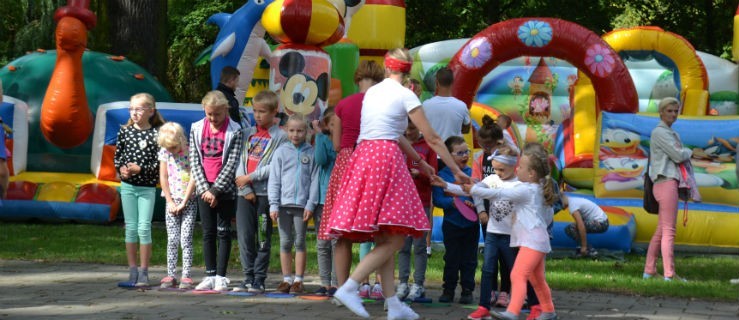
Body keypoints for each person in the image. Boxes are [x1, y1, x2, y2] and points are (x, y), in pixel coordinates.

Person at [329, 48, 471, 320]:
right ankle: (350, 286)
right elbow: (432, 138)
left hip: (364, 157)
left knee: (385, 235)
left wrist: (421, 162)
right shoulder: (406, 94)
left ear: (386, 66)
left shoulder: (373, 92)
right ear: (408, 70)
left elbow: (393, 132)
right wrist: (455, 170)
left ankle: (393, 303)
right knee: (395, 239)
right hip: (385, 159)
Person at [433, 142, 558, 320]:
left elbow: (499, 194)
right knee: (536, 278)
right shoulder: (535, 188)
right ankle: (548, 310)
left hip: (532, 241)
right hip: (535, 240)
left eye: (520, 167)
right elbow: (547, 216)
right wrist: (447, 185)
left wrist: (474, 189)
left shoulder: (525, 189)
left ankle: (512, 312)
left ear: (531, 173)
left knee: (517, 274)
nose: (518, 169)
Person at [319, 60, 384, 290]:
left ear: (358, 79)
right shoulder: (383, 104)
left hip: (347, 163)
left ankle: (343, 289)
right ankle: (383, 288)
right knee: (381, 231)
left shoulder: (343, 105)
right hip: (374, 162)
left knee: (342, 232)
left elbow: (336, 145)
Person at [233, 90, 287, 293]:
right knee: (245, 236)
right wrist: (245, 186)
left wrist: (250, 178)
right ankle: (247, 277)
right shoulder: (247, 133)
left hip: (265, 194)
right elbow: (239, 161)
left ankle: (259, 278)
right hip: (244, 194)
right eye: (255, 111)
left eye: (262, 112)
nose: (257, 115)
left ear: (274, 112)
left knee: (263, 237)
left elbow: (275, 165)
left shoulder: (281, 136)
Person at [190, 91, 244, 291]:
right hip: (204, 190)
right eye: (209, 114)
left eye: (217, 115)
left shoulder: (235, 130)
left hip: (224, 190)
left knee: (223, 232)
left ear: (225, 110)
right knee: (208, 232)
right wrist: (205, 189)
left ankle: (221, 275)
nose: (213, 118)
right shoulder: (196, 128)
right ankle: (210, 274)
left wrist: (215, 190)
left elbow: (232, 163)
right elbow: (194, 160)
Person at [114, 93, 166, 287]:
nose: (134, 113)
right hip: (128, 187)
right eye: (132, 109)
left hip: (146, 189)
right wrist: (122, 170)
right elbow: (118, 157)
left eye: (139, 109)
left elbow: (160, 163)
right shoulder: (125, 131)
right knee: (130, 229)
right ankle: (132, 271)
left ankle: (144, 272)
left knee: (144, 228)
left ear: (150, 111)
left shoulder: (157, 134)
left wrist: (141, 169)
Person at [643, 97, 693, 282]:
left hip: (665, 183)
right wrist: (690, 152)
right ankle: (669, 274)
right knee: (669, 231)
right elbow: (679, 155)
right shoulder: (660, 132)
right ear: (661, 112)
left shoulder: (670, 133)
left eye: (676, 111)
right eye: (669, 110)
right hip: (666, 182)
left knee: (661, 230)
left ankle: (649, 271)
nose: (673, 114)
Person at [268, 113, 319, 294]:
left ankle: (298, 280)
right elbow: (274, 180)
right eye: (292, 130)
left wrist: (310, 204)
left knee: (300, 242)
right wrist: (273, 204)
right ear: (285, 130)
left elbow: (315, 181)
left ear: (306, 131)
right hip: (283, 205)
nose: (295, 134)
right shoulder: (280, 152)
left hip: (302, 207)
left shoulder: (311, 153)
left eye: (299, 131)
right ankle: (286, 279)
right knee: (284, 242)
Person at [467, 145, 520, 320]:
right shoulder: (492, 178)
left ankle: (523, 304)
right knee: (488, 269)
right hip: (492, 234)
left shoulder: (519, 183)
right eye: (495, 168)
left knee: (516, 271)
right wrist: (481, 210)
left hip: (511, 235)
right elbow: (475, 190)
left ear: (513, 166)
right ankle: (483, 306)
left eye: (501, 169)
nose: (497, 172)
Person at [432, 136, 477, 305]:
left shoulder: (473, 174)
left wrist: (472, 204)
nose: (465, 155)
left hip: (471, 225)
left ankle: (467, 290)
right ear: (449, 156)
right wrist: (453, 202)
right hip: (452, 224)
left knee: (469, 259)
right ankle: (448, 290)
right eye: (460, 153)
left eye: (467, 151)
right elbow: (438, 200)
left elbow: (479, 197)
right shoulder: (442, 176)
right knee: (451, 258)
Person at [396, 119, 437, 301]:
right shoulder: (396, 144)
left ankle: (418, 284)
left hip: (421, 202)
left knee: (420, 246)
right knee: (402, 245)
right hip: (401, 203)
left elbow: (433, 173)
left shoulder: (427, 147)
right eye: (405, 128)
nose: (408, 132)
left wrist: (419, 174)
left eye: (412, 128)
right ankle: (403, 282)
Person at [157, 122, 197, 289]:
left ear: (181, 140)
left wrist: (185, 201)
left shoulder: (190, 152)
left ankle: (186, 275)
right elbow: (163, 177)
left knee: (186, 238)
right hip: (171, 202)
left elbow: (194, 177)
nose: (172, 151)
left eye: (174, 147)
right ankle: (170, 274)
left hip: (188, 201)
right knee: (172, 239)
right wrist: (170, 201)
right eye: (168, 148)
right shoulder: (165, 152)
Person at [312, 108, 339, 296]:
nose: (332, 128)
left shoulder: (344, 143)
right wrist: (320, 137)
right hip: (323, 197)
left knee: (337, 242)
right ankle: (325, 282)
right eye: (330, 124)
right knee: (322, 243)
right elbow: (320, 160)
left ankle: (337, 282)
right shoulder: (322, 139)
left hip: (339, 199)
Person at [471, 115, 504, 243]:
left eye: (489, 145)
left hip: (505, 207)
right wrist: (481, 211)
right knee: (490, 244)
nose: (486, 148)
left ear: (499, 141)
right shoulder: (479, 158)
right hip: (486, 207)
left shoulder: (509, 157)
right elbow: (475, 185)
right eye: (482, 144)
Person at [421, 66, 471, 144]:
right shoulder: (461, 106)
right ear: (452, 82)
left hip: (433, 151)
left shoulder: (425, 105)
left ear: (436, 82)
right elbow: (467, 129)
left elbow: (422, 127)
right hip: (454, 152)